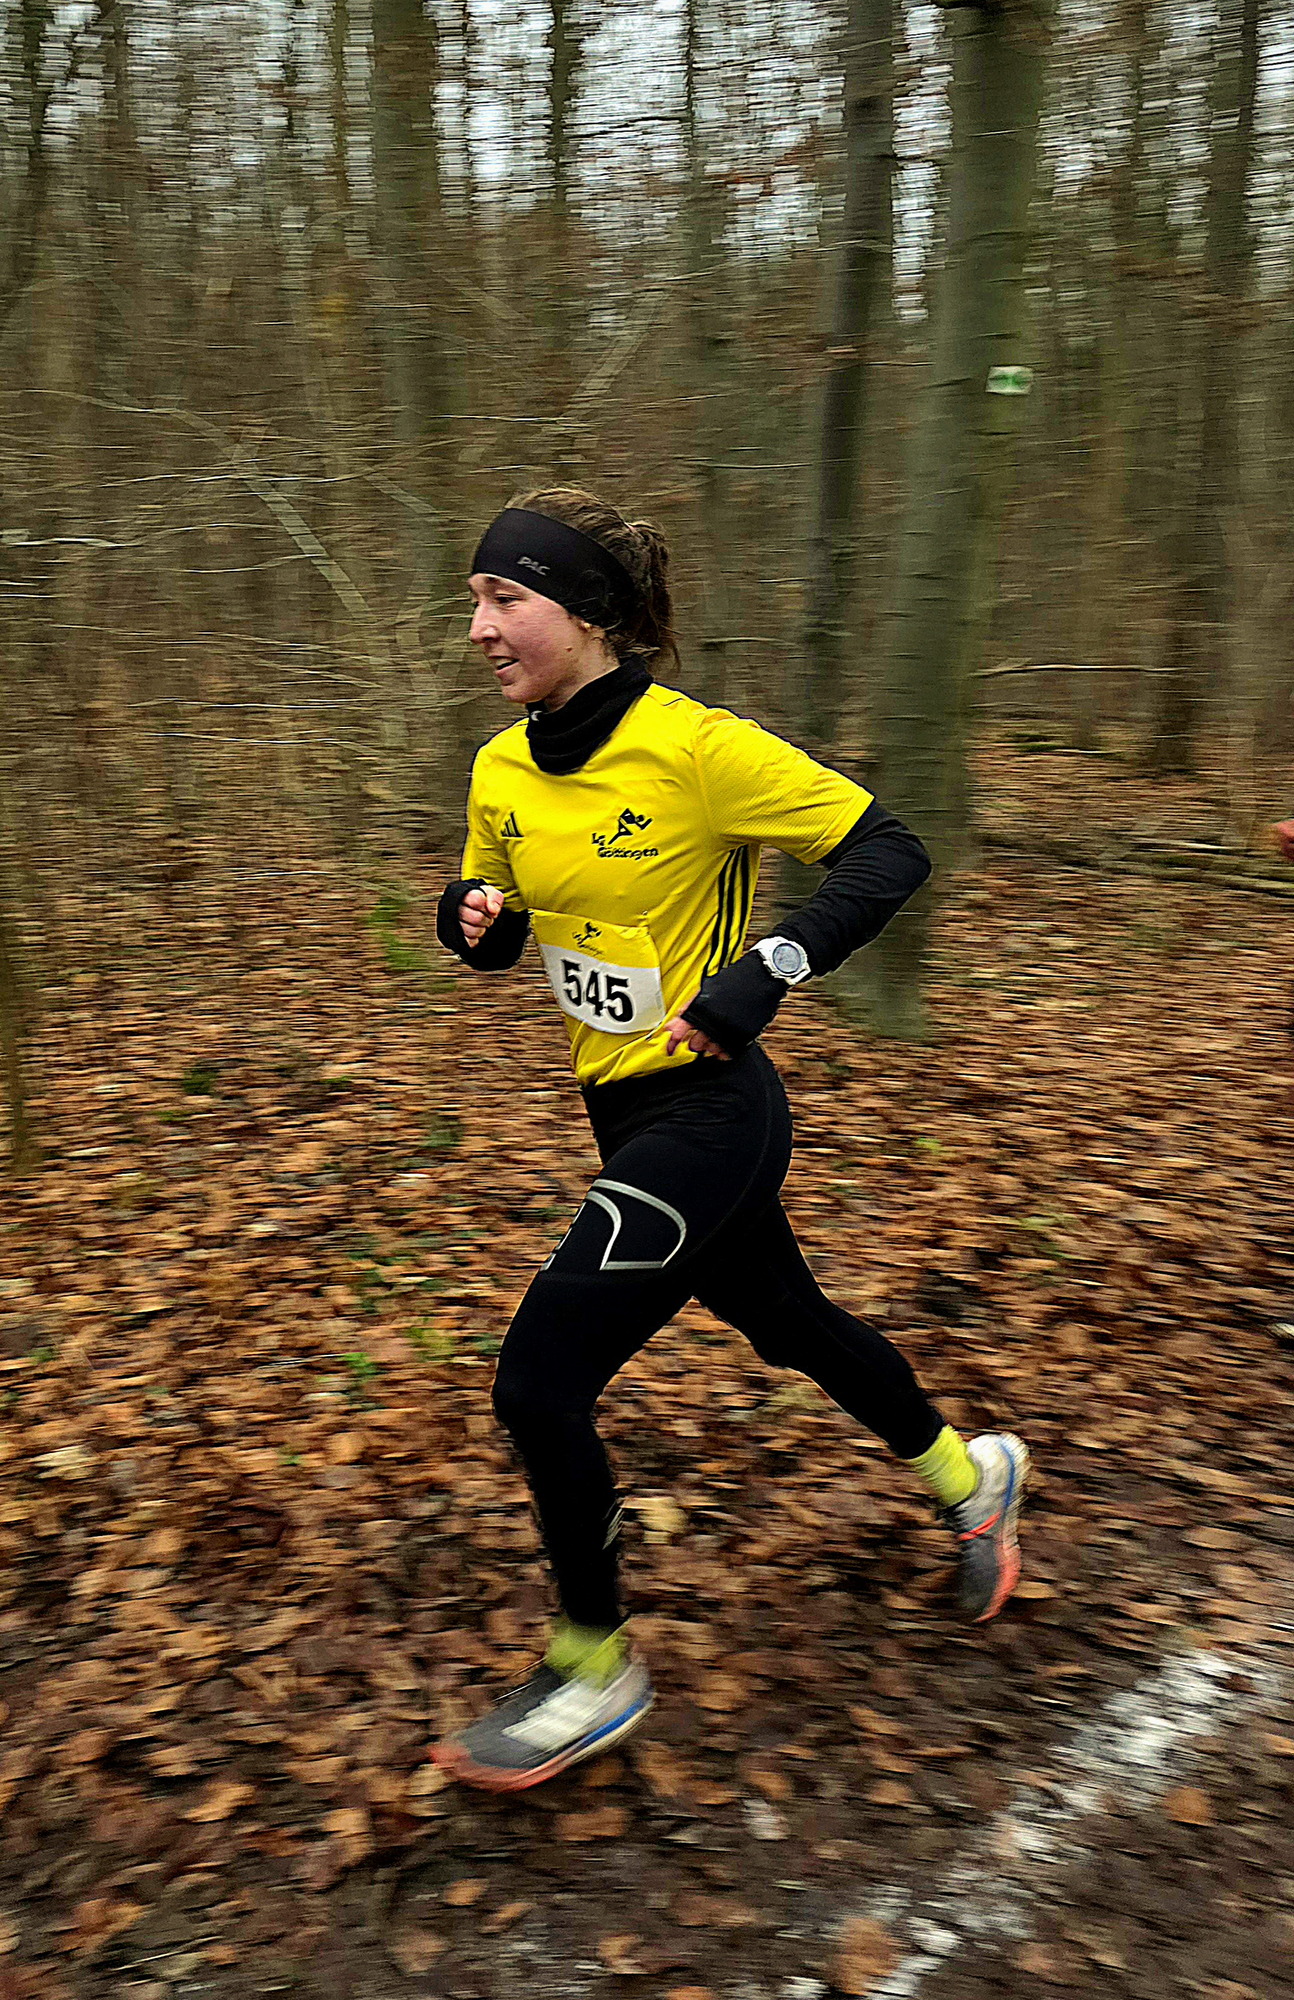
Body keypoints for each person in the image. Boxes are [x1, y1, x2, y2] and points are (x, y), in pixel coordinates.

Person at [431, 488, 1029, 1791]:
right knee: (786, 1321)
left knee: (538, 1384)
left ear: (586, 614)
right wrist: (476, 920)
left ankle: (591, 1664)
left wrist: (766, 970)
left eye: (504, 597)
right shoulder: (501, 767)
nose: (476, 626)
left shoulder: (696, 747)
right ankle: (969, 1473)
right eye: (473, 598)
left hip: (710, 1112)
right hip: (619, 1108)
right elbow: (494, 911)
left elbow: (889, 851)